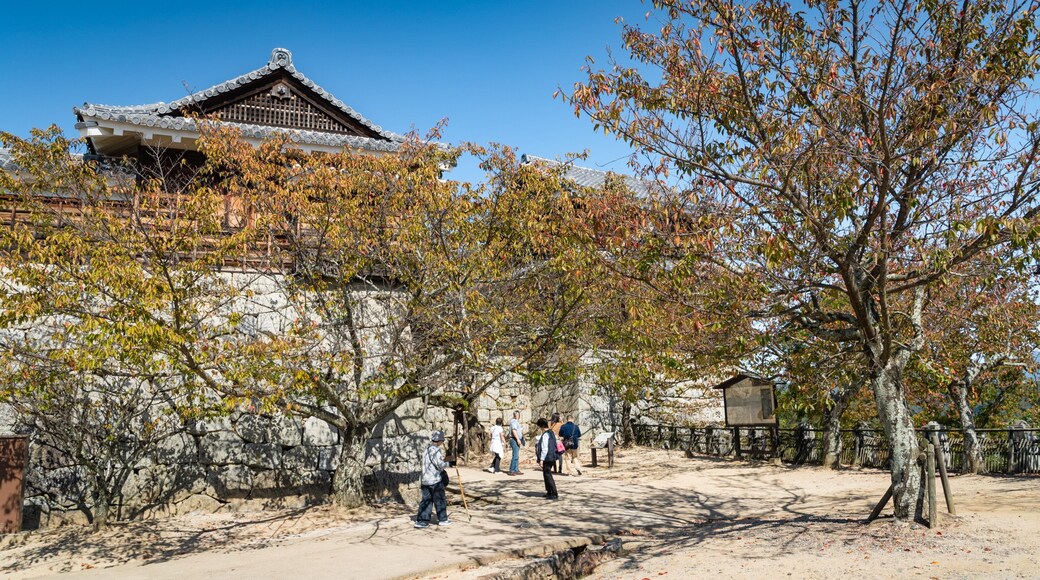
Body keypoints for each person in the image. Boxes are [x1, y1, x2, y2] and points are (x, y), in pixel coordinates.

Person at [415, 430, 452, 528]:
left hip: (425, 479)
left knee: (426, 500)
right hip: (435, 479)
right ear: (439, 441)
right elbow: (440, 465)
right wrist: (450, 464)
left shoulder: (426, 450)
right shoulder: (436, 451)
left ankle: (422, 521)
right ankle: (443, 519)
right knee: (439, 499)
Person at [535, 418, 559, 499]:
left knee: (548, 475)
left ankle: (553, 492)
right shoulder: (551, 433)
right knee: (546, 474)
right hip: (552, 456)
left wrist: (541, 459)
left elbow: (545, 448)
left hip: (547, 457)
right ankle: (549, 491)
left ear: (541, 426)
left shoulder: (545, 435)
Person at [507, 410, 524, 475]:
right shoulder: (514, 422)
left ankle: (516, 469)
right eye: (518, 414)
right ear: (516, 415)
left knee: (517, 455)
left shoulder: (516, 422)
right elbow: (514, 431)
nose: (519, 416)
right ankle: (512, 470)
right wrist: (517, 439)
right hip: (514, 439)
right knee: (515, 455)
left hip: (516, 439)